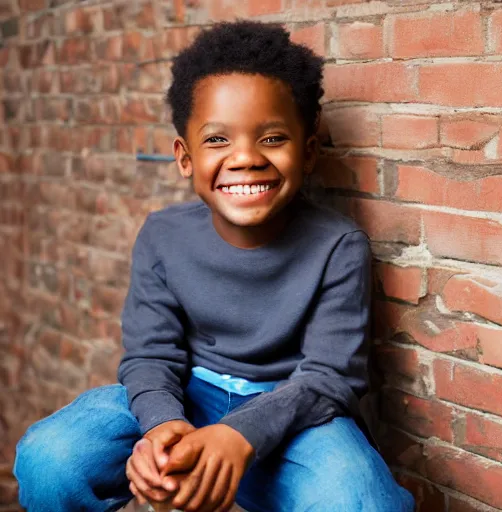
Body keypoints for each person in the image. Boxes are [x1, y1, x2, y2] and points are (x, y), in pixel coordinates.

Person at [14, 20, 415, 512]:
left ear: (307, 152)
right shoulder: (163, 235)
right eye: (218, 140)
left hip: (291, 416)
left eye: (271, 139)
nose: (245, 158)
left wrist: (236, 435)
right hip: (185, 399)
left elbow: (330, 378)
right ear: (185, 158)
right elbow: (150, 356)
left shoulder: (339, 246)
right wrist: (163, 428)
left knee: (363, 501)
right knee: (49, 457)